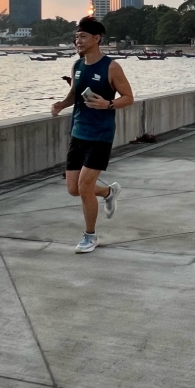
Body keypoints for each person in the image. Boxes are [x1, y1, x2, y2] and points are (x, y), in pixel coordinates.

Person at [51, 17, 135, 254]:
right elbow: (74, 94)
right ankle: (109, 192)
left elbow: (128, 97)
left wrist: (108, 104)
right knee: (73, 188)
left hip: (100, 135)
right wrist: (61, 104)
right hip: (78, 132)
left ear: (97, 39)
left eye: (83, 36)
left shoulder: (111, 67)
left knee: (85, 187)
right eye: (76, 36)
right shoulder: (77, 66)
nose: (78, 40)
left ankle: (90, 236)